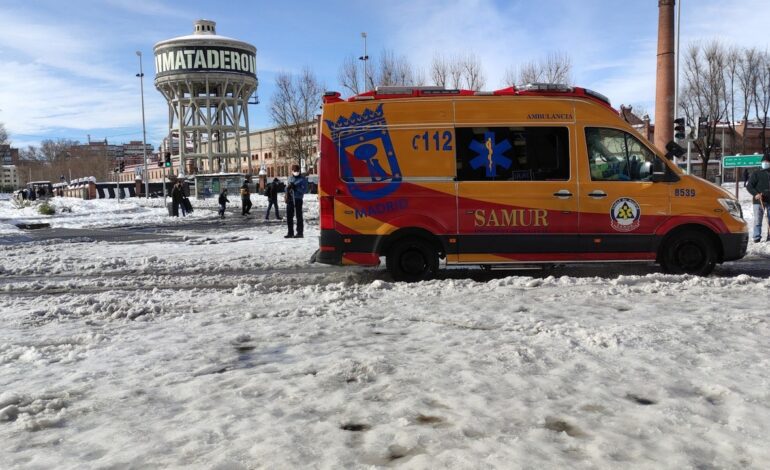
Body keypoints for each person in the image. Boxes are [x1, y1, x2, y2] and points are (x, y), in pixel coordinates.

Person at [746, 154, 770, 242]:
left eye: (767, 162)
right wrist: (756, 194)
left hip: (769, 201)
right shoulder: (756, 173)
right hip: (758, 201)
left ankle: (769, 236)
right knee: (757, 220)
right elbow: (749, 186)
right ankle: (756, 237)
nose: (765, 163)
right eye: (763, 162)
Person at [285, 164, 308, 238]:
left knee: (299, 216)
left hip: (298, 199)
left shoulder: (303, 179)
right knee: (289, 216)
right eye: (294, 171)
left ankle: (300, 233)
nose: (296, 172)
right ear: (292, 171)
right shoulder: (289, 178)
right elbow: (286, 188)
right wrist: (287, 189)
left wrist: (296, 188)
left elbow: (305, 190)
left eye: (297, 171)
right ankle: (290, 232)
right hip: (290, 199)